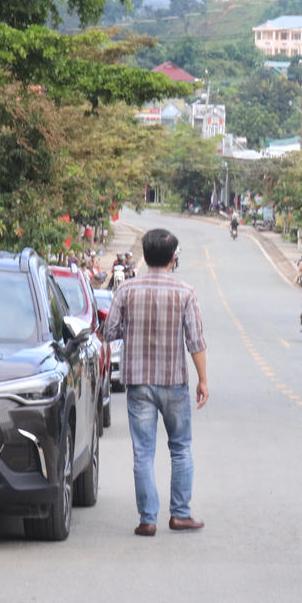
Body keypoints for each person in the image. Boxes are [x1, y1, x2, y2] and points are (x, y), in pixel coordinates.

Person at [102, 228, 209, 536]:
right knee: (181, 447)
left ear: (145, 257)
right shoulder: (185, 292)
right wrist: (203, 380)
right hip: (174, 382)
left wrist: (134, 330)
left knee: (143, 452)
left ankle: (148, 519)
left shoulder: (126, 290)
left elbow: (109, 332)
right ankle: (180, 514)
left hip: (138, 383)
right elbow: (196, 341)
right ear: (173, 258)